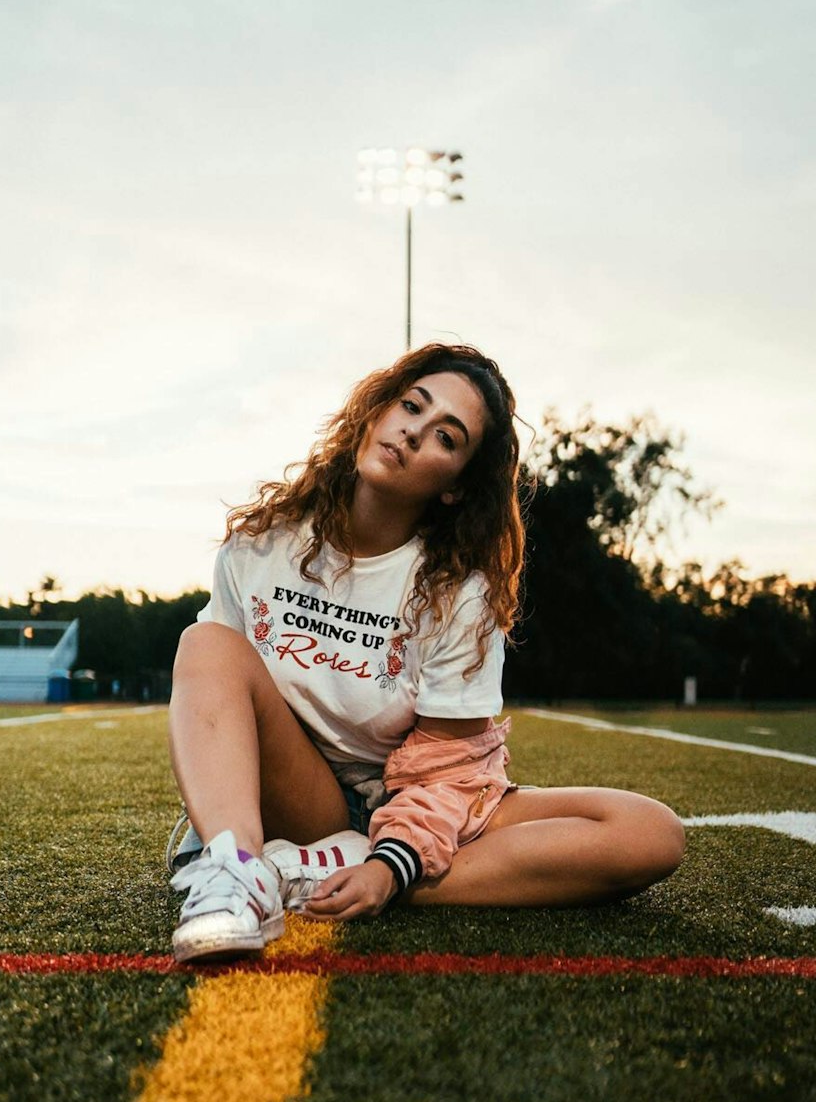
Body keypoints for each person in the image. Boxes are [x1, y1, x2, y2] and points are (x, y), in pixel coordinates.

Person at [167, 343, 685, 962]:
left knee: (649, 834)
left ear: (455, 487)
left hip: (409, 800)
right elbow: (217, 698)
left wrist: (390, 866)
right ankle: (240, 869)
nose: (414, 432)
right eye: (411, 405)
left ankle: (317, 876)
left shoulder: (459, 593)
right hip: (300, 799)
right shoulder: (263, 542)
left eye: (447, 437)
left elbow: (448, 772)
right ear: (376, 412)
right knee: (204, 643)